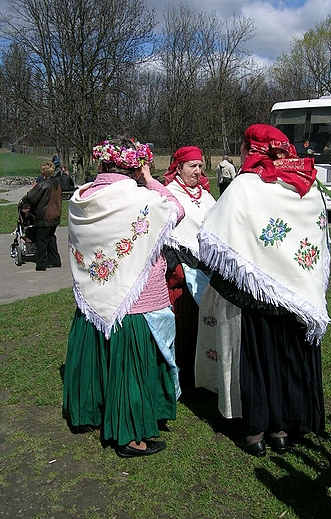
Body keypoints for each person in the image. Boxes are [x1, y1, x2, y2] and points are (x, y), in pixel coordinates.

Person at [197, 124, 331, 457]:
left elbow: (213, 237)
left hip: (257, 295)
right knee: (288, 357)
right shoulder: (308, 184)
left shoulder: (244, 186)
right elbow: (318, 237)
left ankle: (255, 430)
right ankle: (283, 429)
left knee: (256, 359)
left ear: (250, 149)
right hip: (298, 292)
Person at [63, 137, 185, 458]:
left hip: (94, 297)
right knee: (131, 366)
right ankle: (130, 435)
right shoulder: (137, 197)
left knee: (101, 360)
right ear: (135, 163)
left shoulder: (82, 198)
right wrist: (149, 180)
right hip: (133, 303)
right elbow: (176, 210)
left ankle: (92, 412)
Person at [162, 146, 216, 392]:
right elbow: (164, 237)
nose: (197, 171)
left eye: (200, 166)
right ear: (179, 167)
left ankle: (205, 374)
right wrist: (178, 269)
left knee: (206, 325)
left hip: (207, 269)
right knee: (184, 327)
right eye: (192, 166)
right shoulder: (167, 195)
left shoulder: (205, 195)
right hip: (181, 272)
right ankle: (184, 378)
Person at [21, 160, 62, 271]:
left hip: (45, 216)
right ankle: (55, 260)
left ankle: (41, 264)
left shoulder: (42, 185)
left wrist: (32, 189)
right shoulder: (56, 182)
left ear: (43, 172)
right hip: (55, 215)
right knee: (51, 238)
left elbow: (31, 197)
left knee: (42, 240)